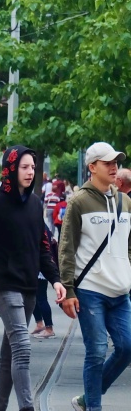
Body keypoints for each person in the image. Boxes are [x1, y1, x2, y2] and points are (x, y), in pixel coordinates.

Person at [0, 145, 65, 411]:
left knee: (8, 352)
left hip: (29, 285)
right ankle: (27, 407)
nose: (30, 171)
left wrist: (55, 280)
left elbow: (43, 247)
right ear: (11, 169)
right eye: (24, 166)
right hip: (4, 283)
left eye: (32, 167)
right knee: (22, 347)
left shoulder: (34, 205)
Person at [58, 142, 131, 411]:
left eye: (116, 162)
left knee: (127, 348)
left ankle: (88, 398)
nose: (114, 167)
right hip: (90, 290)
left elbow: (129, 245)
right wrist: (69, 290)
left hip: (121, 291)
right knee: (97, 351)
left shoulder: (126, 201)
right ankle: (94, 408)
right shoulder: (79, 201)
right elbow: (66, 248)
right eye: (107, 163)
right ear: (92, 167)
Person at [31, 235, 59, 340]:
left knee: (41, 298)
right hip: (36, 266)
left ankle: (49, 328)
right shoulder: (39, 224)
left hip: (40, 267)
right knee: (33, 297)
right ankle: (39, 324)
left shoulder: (40, 226)